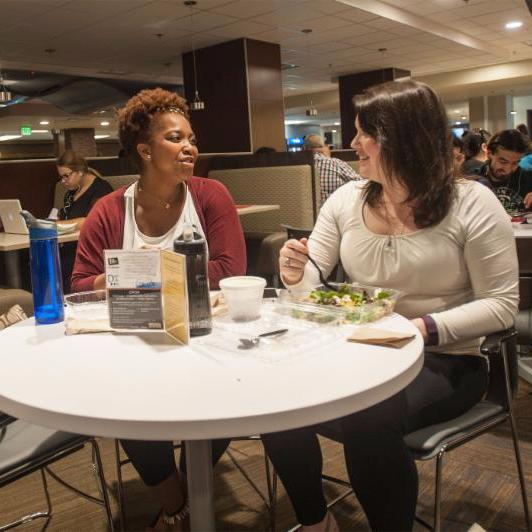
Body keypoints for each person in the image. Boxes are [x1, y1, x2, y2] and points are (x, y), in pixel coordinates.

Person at [262, 80, 518, 532]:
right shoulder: (345, 200)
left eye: (365, 133)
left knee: (368, 416)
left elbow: (501, 305)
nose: (353, 143)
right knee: (273, 396)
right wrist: (294, 272)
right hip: (355, 351)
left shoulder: (472, 203)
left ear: (404, 139)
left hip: (446, 359)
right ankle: (315, 520)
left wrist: (417, 328)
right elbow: (312, 286)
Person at [71, 87, 247, 530]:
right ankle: (175, 497)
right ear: (145, 150)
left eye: (191, 138)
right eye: (175, 138)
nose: (190, 147)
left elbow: (229, 270)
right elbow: (80, 285)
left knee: (230, 389)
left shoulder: (211, 195)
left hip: (206, 338)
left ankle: (187, 487)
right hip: (135, 343)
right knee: (120, 397)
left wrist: (144, 272)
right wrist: (127, 276)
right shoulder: (108, 211)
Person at [56, 150, 113, 292]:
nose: (63, 181)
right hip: (70, 246)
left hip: (90, 250)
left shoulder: (101, 189)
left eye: (66, 176)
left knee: (55, 269)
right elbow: (65, 217)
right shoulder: (71, 193)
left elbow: (91, 221)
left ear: (80, 172)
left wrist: (56, 225)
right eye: (61, 177)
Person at [473, 129, 532, 212]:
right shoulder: (473, 180)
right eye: (503, 162)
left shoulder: (528, 178)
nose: (508, 169)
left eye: (515, 163)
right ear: (489, 153)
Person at [303, 133, 362, 204]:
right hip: (338, 207)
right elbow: (361, 184)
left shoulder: (299, 168)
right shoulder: (336, 163)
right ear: (325, 147)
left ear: (304, 149)